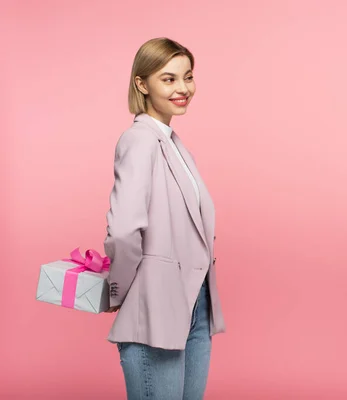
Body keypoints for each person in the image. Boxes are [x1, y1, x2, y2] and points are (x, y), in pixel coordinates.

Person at [103, 37, 225, 399]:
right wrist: (122, 291)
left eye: (187, 77)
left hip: (194, 304)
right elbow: (124, 230)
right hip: (155, 305)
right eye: (169, 79)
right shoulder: (139, 140)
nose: (183, 88)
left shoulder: (172, 143)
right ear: (142, 84)